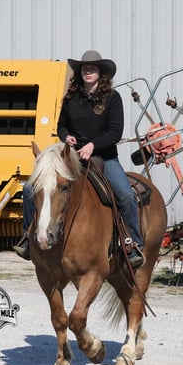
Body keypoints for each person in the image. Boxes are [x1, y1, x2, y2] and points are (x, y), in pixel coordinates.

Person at [14, 50, 144, 268]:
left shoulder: (112, 98)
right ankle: (28, 237)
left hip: (104, 157)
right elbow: (61, 126)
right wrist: (66, 137)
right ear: (80, 72)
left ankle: (132, 244)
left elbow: (115, 132)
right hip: (72, 157)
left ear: (100, 73)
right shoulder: (71, 97)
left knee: (125, 195)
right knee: (29, 189)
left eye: (92, 68)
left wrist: (93, 145)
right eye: (85, 68)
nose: (88, 71)